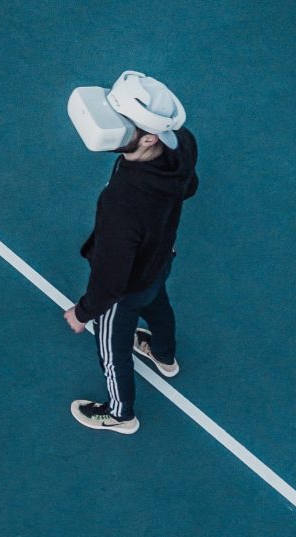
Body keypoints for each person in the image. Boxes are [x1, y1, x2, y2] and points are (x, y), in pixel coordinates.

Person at [64, 71, 199, 435]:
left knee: (113, 352)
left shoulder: (122, 204)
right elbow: (189, 187)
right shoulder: (182, 144)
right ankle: (164, 355)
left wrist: (83, 312)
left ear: (150, 137)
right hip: (160, 259)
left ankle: (121, 415)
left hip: (125, 290)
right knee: (158, 305)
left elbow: (110, 281)